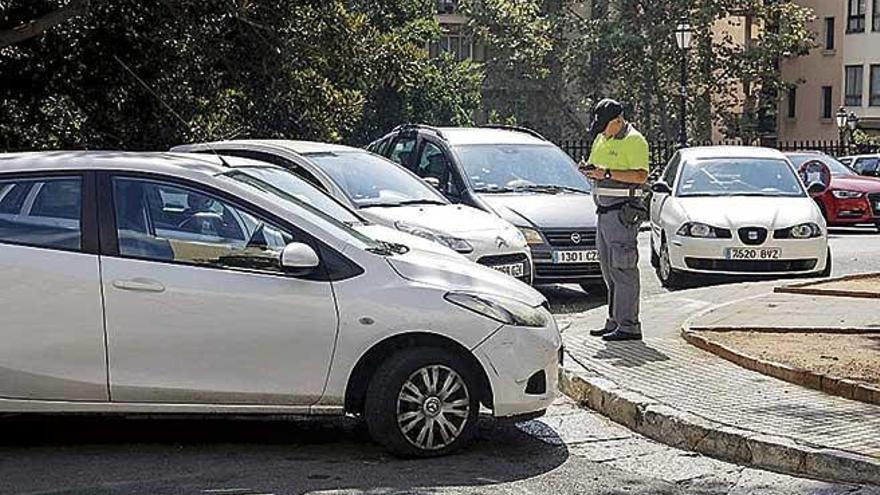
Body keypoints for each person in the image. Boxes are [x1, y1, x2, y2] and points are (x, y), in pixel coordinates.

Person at [580, 99, 649, 341]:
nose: (601, 130)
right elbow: (599, 168)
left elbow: (641, 176)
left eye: (604, 125)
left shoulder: (634, 140)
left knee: (624, 269)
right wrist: (590, 170)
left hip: (622, 213)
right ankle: (614, 321)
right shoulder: (602, 138)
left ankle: (629, 326)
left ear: (618, 121)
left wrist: (606, 174)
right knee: (609, 271)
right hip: (604, 213)